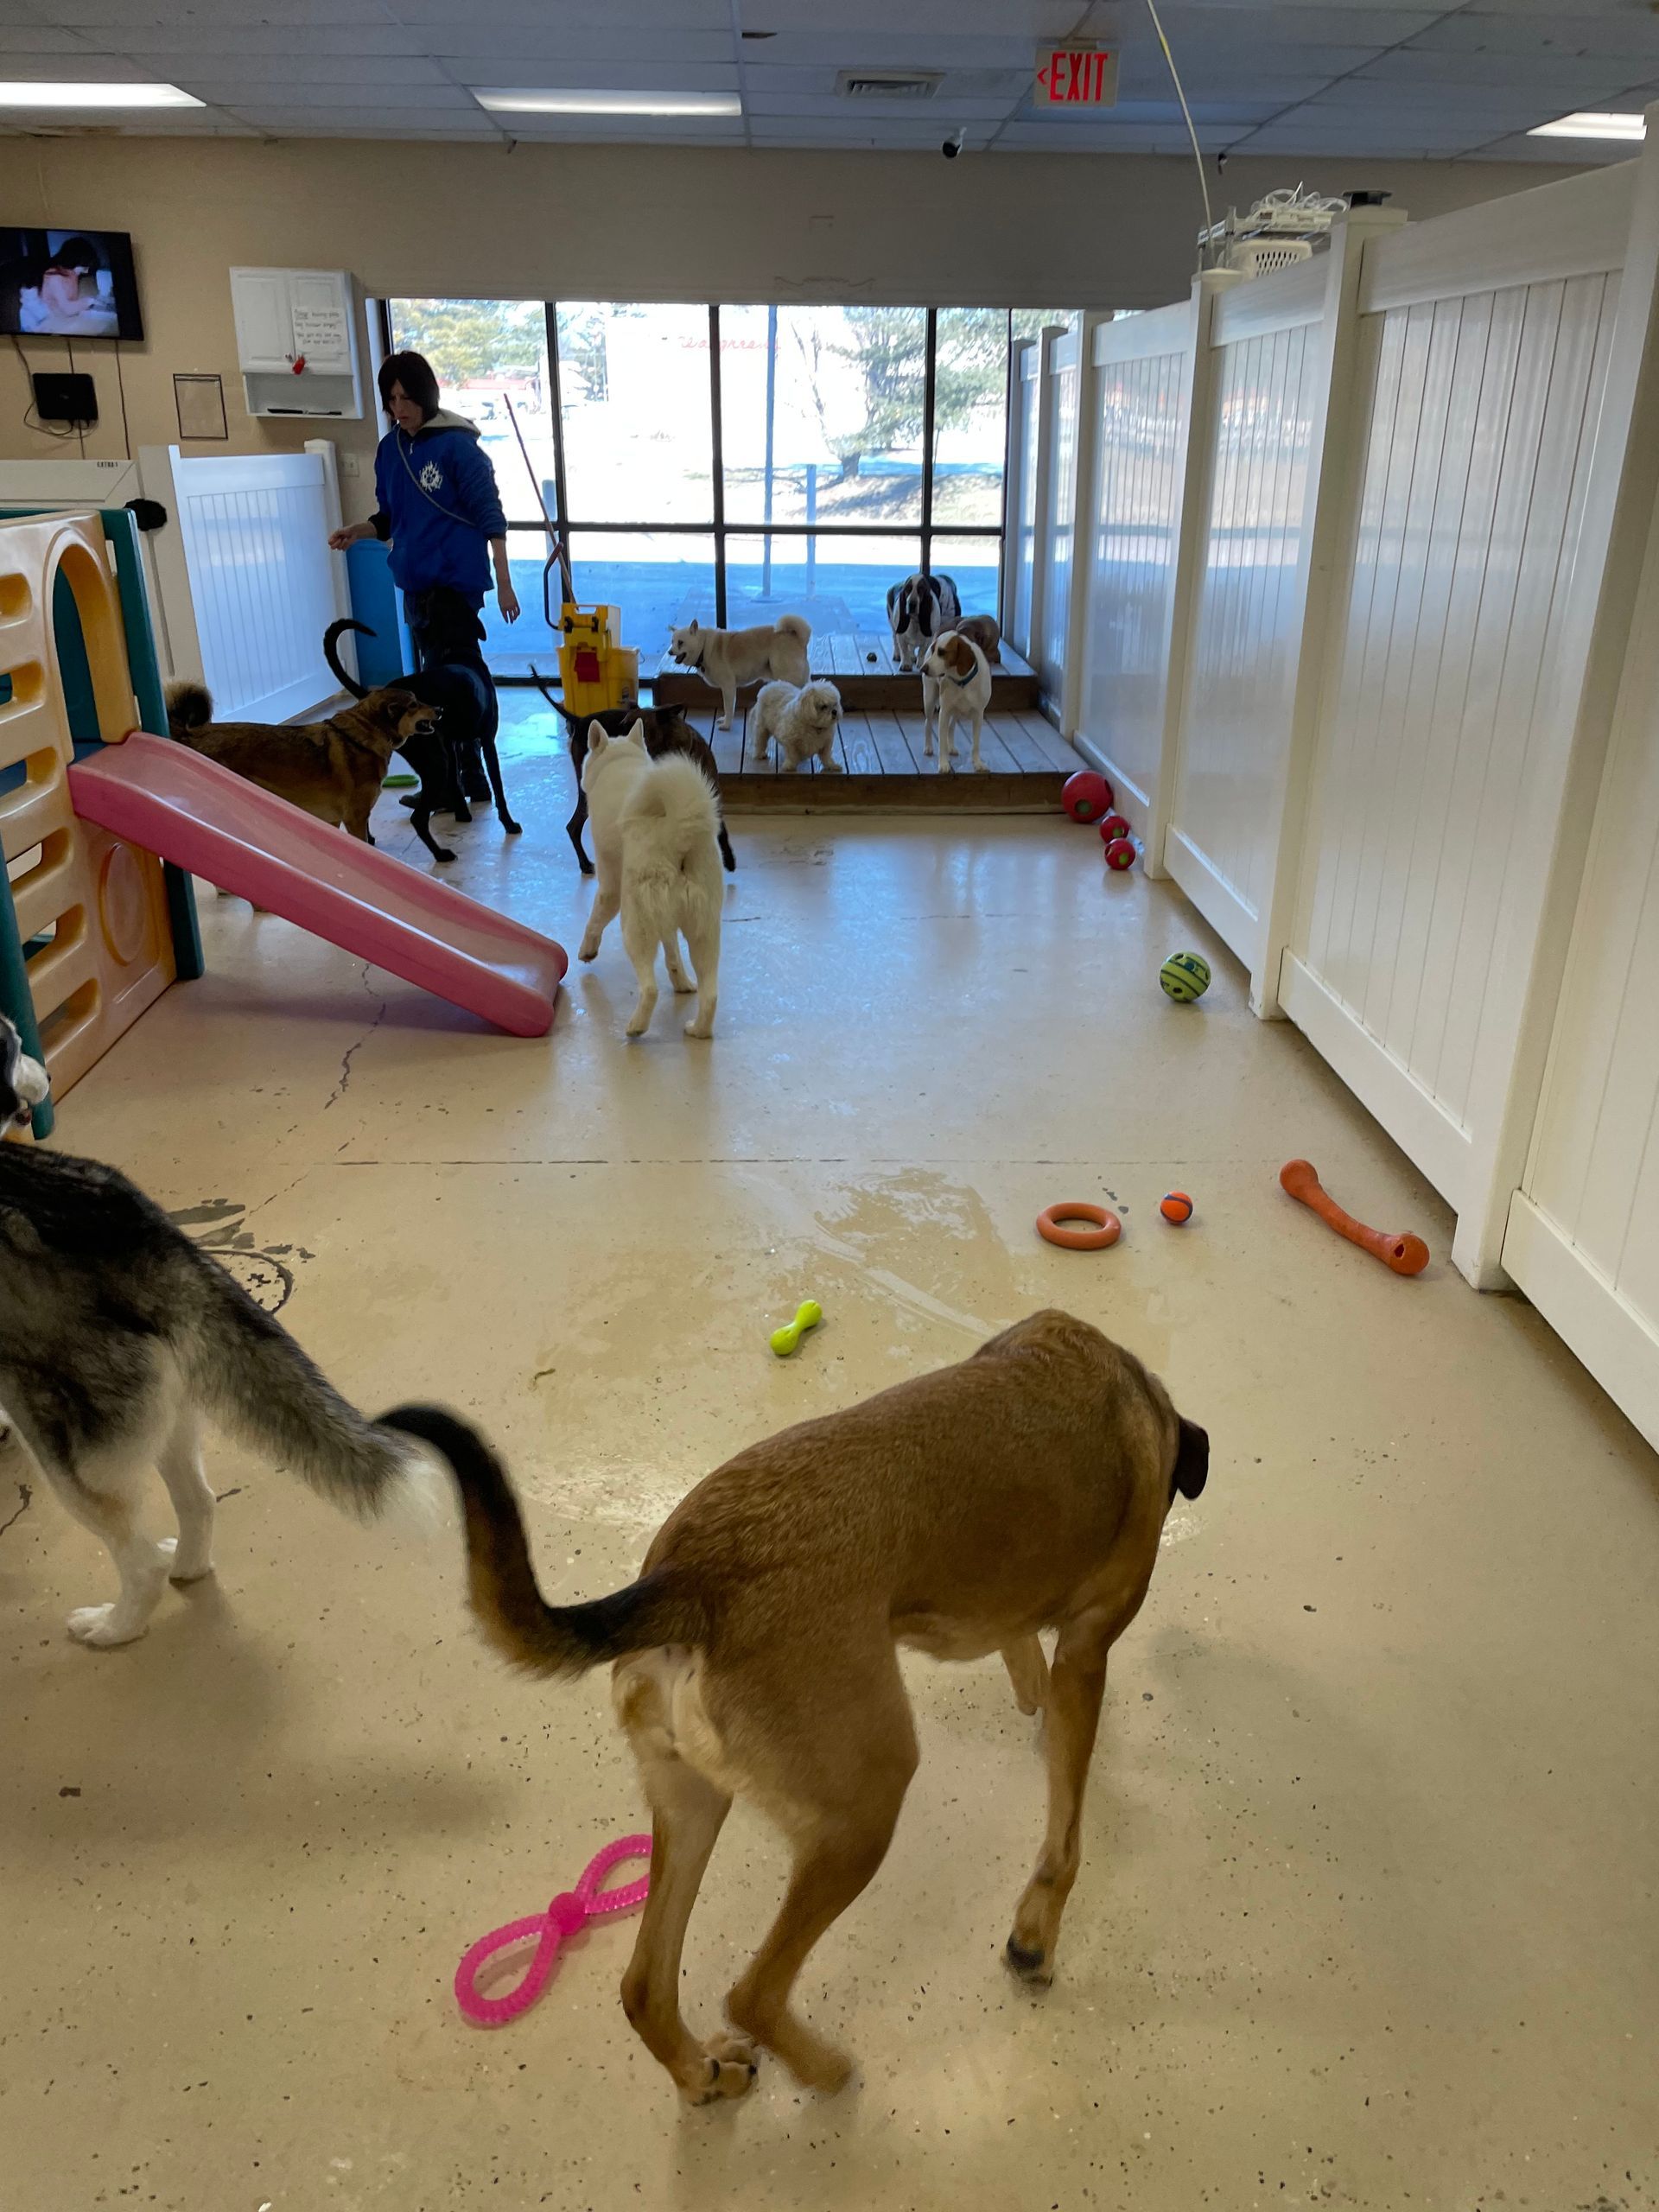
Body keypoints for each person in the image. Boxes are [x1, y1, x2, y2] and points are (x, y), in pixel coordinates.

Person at [329, 351, 519, 666]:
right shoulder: (390, 449)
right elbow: (387, 520)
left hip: (455, 584)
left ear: (425, 395)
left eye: (407, 397)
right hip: (414, 584)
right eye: (391, 399)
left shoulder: (458, 446)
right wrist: (356, 532)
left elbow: (491, 517)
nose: (399, 408)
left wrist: (505, 584)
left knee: (454, 669)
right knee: (434, 674)